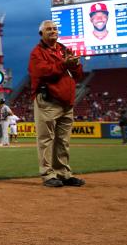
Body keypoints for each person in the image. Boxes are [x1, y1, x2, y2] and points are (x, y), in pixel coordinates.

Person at [29, 20, 86, 187]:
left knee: (63, 140)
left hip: (66, 102)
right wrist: (64, 64)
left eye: (54, 28)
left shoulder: (63, 49)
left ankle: (63, 173)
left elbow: (78, 75)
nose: (53, 31)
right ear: (41, 34)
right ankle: (47, 175)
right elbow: (43, 72)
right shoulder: (37, 53)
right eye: (48, 29)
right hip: (48, 100)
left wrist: (74, 65)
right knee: (46, 140)